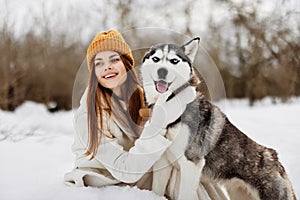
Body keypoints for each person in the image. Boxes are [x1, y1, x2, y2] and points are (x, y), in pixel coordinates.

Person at [64, 30, 227, 199]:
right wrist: (157, 123)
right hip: (107, 181)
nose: (107, 66)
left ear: (126, 64)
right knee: (183, 182)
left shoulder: (141, 97)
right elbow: (125, 171)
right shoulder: (87, 116)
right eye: (99, 63)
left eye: (114, 59)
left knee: (197, 177)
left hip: (142, 170)